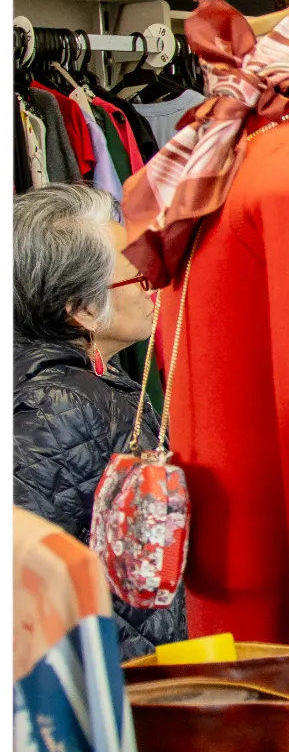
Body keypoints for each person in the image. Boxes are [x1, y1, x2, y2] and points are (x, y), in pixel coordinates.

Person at [13, 182, 186, 657]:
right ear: (82, 309)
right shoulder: (57, 407)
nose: (152, 284)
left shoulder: (73, 383)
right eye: (137, 276)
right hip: (118, 687)